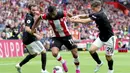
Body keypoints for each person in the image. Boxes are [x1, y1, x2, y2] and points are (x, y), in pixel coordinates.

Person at [69, 1, 116, 73]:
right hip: (101, 37)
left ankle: (110, 70)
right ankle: (99, 63)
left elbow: (86, 21)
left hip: (109, 38)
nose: (92, 10)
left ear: (97, 7)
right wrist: (78, 16)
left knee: (108, 57)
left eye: (93, 9)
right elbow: (87, 15)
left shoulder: (100, 14)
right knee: (91, 50)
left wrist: (74, 20)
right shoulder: (98, 12)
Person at [31, 5, 80, 73]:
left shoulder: (61, 13)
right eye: (51, 14)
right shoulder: (47, 16)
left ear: (56, 11)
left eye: (53, 14)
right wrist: (33, 27)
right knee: (54, 53)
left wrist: (74, 19)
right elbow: (39, 17)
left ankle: (77, 69)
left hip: (67, 36)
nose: (53, 16)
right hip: (57, 37)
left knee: (75, 54)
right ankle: (63, 62)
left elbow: (69, 14)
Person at [15, 4, 49, 73]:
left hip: (27, 39)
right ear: (29, 10)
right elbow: (27, 29)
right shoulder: (29, 17)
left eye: (35, 10)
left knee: (33, 54)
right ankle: (43, 70)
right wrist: (36, 35)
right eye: (33, 10)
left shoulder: (32, 16)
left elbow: (35, 25)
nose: (34, 11)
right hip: (30, 38)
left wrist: (40, 17)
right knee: (44, 51)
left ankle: (19, 65)